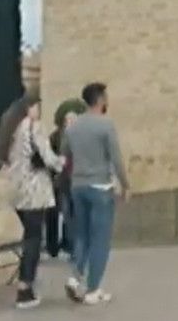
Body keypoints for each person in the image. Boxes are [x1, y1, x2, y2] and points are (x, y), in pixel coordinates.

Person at [0, 92, 65, 310]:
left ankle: (27, 287)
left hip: (18, 190)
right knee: (33, 239)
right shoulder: (33, 127)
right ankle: (24, 288)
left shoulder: (11, 130)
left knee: (29, 236)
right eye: (37, 107)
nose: (39, 111)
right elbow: (47, 156)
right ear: (30, 108)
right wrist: (62, 162)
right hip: (34, 191)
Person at [61, 82, 130, 305]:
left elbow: (64, 152)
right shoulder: (105, 125)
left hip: (77, 186)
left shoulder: (72, 127)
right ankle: (93, 289)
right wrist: (125, 185)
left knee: (81, 235)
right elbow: (116, 158)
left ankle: (75, 277)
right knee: (100, 239)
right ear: (100, 100)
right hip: (100, 186)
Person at [44, 97, 86, 259]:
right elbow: (53, 158)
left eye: (72, 120)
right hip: (63, 182)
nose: (69, 123)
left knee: (74, 215)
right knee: (67, 215)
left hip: (77, 181)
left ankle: (74, 247)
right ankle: (65, 246)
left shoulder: (81, 137)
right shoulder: (56, 137)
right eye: (67, 120)